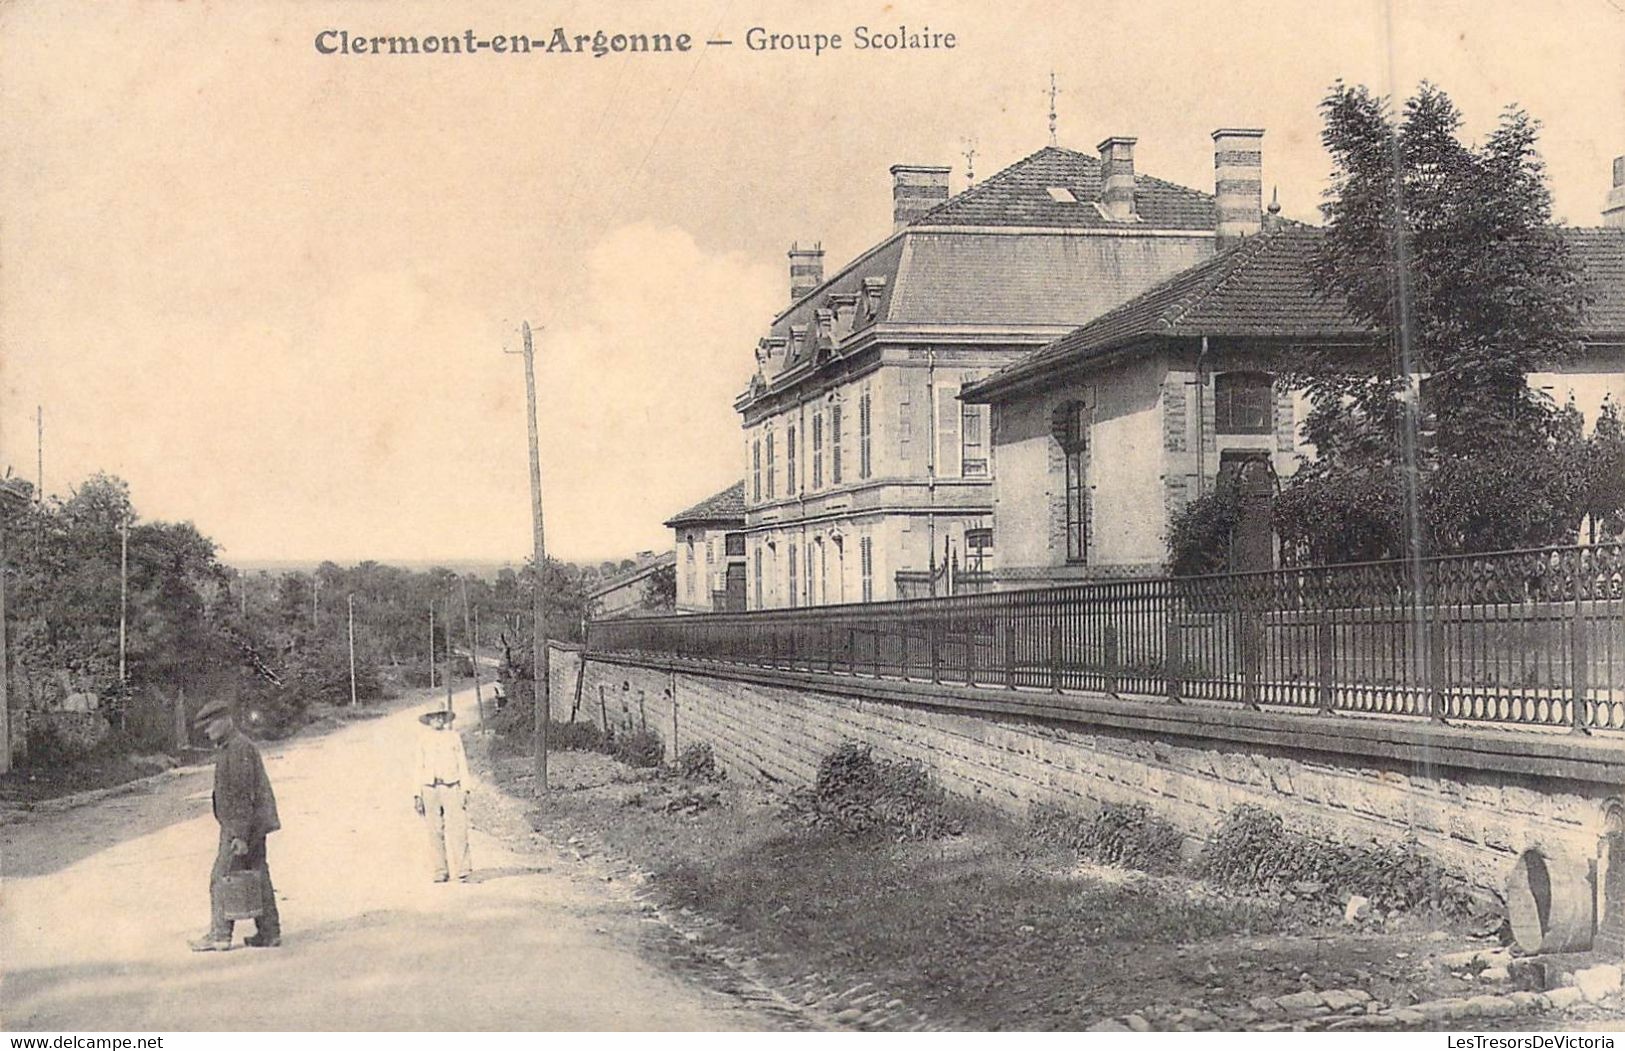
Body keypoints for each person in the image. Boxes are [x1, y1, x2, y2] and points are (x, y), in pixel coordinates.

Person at [189, 698, 281, 951]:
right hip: (253, 823)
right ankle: (269, 932)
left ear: (223, 721)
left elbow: (242, 795)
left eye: (209, 727)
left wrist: (238, 835)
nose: (206, 733)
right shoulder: (233, 746)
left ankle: (220, 935)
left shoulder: (237, 749)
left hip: (242, 825)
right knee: (257, 873)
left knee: (221, 877)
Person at [414, 706, 472, 883]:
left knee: (458, 828)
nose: (437, 720)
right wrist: (417, 794)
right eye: (433, 717)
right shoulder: (422, 739)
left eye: (440, 716)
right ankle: (440, 870)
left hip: (451, 785)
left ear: (445, 719)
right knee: (434, 830)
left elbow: (462, 762)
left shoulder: (453, 737)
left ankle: (464, 869)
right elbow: (418, 766)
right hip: (430, 787)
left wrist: (465, 789)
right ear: (428, 720)